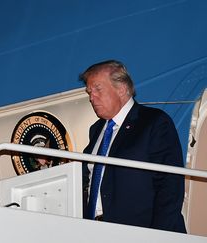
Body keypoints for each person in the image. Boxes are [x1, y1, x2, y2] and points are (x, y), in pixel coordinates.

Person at [79, 60, 186, 233]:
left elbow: (170, 186)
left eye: (98, 89)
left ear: (121, 88)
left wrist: (157, 236)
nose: (92, 97)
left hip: (141, 232)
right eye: (89, 92)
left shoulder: (154, 122)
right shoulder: (96, 130)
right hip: (95, 232)